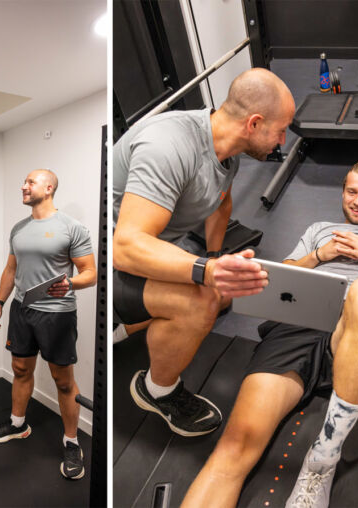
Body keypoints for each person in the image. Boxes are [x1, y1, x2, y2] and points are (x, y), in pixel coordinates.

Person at [182, 155, 358, 508]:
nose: (357, 200)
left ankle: (323, 459)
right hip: (298, 323)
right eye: (351, 191)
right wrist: (320, 254)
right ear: (343, 193)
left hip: (355, 330)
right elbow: (279, 278)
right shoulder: (319, 229)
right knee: (234, 446)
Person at [113, 68, 296, 436]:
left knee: (224, 294)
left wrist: (214, 259)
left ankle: (126, 327)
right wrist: (206, 272)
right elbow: (126, 247)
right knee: (202, 302)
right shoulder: (169, 146)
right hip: (112, 262)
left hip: (157, 249)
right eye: (281, 130)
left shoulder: (227, 151)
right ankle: (157, 392)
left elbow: (220, 205)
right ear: (255, 123)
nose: (283, 140)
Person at [0, 169, 96, 480]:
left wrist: (71, 283)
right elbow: (11, 270)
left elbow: (90, 272)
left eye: (30, 182)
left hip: (57, 313)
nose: (23, 186)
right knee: (21, 369)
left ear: (48, 188)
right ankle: (18, 425)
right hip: (22, 310)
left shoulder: (71, 228)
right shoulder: (19, 229)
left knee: (63, 381)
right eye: (23, 182)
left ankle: (72, 442)